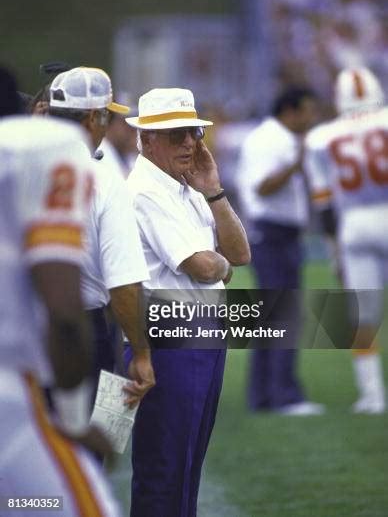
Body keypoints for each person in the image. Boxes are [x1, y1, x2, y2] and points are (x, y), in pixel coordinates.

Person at [0, 67, 122, 516]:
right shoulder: (56, 154)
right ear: (95, 119)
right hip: (27, 372)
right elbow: (68, 313)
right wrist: (73, 420)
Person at [124, 87, 250, 517]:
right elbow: (202, 265)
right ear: (147, 140)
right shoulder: (145, 190)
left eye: (194, 132)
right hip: (171, 334)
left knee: (186, 467)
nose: (190, 143)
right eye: (176, 134)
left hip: (200, 330)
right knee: (166, 469)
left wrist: (214, 191)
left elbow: (239, 254)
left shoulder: (188, 185)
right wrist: (222, 268)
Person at [48, 67, 155, 408]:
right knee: (89, 447)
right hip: (81, 331)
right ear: (94, 117)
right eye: (108, 116)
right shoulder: (103, 178)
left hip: (18, 326)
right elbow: (123, 283)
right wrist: (140, 353)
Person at [237, 86, 325, 415]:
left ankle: (264, 395)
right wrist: (295, 166)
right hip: (272, 232)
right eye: (307, 110)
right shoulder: (268, 140)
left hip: (278, 233)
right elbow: (262, 187)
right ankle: (282, 395)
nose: (311, 118)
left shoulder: (278, 138)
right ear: (289, 111)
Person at [305, 66, 387, 413]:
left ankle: (372, 396)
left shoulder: (320, 137)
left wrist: (334, 253)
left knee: (361, 318)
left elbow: (323, 206)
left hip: (353, 225)